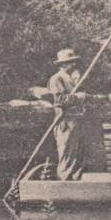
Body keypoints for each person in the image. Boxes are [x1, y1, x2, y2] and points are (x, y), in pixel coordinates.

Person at [48, 48, 87, 180]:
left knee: (78, 155)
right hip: (65, 122)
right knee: (66, 154)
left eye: (74, 62)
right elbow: (59, 100)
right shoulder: (56, 79)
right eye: (71, 62)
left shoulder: (74, 79)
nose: (74, 65)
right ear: (63, 65)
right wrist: (78, 97)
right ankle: (63, 183)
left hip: (77, 121)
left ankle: (75, 184)